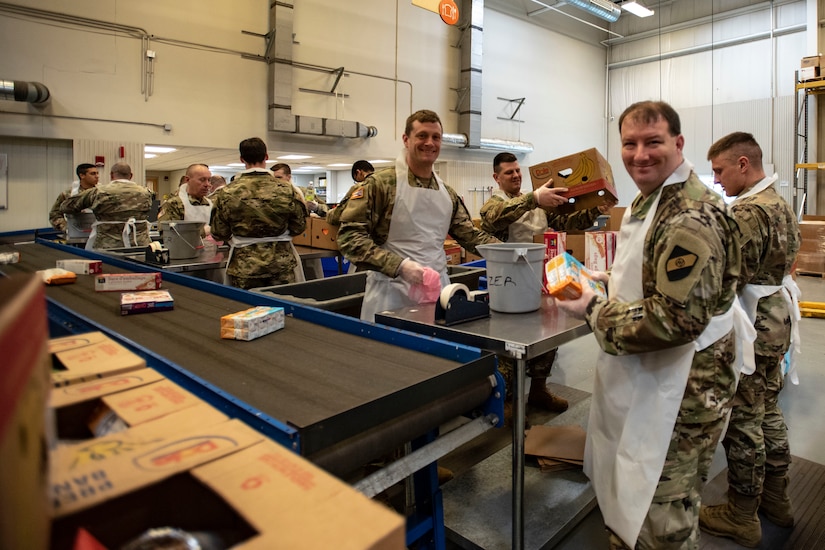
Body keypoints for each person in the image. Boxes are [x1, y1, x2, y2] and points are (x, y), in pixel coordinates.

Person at [555, 101, 744, 549]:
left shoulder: (692, 215)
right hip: (653, 370)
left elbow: (676, 319)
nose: (640, 154)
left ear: (678, 144)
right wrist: (610, 279)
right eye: (630, 143)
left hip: (686, 386)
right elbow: (652, 268)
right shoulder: (652, 197)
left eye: (653, 142)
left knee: (661, 516)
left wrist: (593, 309)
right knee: (630, 486)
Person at [698, 132, 802, 547]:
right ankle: (776, 499)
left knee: (742, 419)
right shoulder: (779, 203)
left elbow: (722, 277)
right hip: (776, 318)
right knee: (768, 409)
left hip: (754, 327)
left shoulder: (747, 213)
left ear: (744, 164)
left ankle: (742, 512)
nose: (717, 180)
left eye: (720, 171)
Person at [480, 151, 616, 416]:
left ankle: (539, 389)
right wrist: (532, 198)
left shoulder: (539, 205)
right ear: (497, 178)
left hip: (541, 277)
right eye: (509, 173)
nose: (516, 176)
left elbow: (565, 221)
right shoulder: (495, 204)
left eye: (518, 171)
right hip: (509, 284)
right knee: (510, 343)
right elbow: (493, 218)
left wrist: (593, 212)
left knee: (547, 335)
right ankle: (506, 400)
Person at [336, 109, 498, 322]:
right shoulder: (381, 185)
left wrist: (508, 252)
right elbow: (349, 238)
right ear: (406, 139)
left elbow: (470, 235)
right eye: (422, 135)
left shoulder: (447, 194)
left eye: (436, 137)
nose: (429, 143)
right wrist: (400, 266)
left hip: (438, 291)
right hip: (391, 293)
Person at [210, 138, 308, 290]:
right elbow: (299, 227)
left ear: (242, 159)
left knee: (247, 311)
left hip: (244, 265)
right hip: (281, 263)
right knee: (283, 308)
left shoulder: (226, 193)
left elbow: (218, 232)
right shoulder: (287, 189)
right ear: (266, 157)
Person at [61, 161, 154, 250]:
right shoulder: (146, 192)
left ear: (111, 175)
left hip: (108, 245)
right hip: (139, 244)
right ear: (131, 175)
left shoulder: (98, 192)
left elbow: (66, 207)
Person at [49, 163, 99, 232]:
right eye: (93, 174)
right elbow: (54, 214)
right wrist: (65, 227)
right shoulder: (69, 194)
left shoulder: (102, 192)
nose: (97, 176)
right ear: (82, 175)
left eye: (97, 173)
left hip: (99, 234)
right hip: (77, 233)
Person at [328, 160, 374, 227]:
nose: (358, 183)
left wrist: (328, 213)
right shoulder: (386, 184)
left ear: (359, 172)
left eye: (357, 180)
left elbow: (337, 215)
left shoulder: (360, 187)